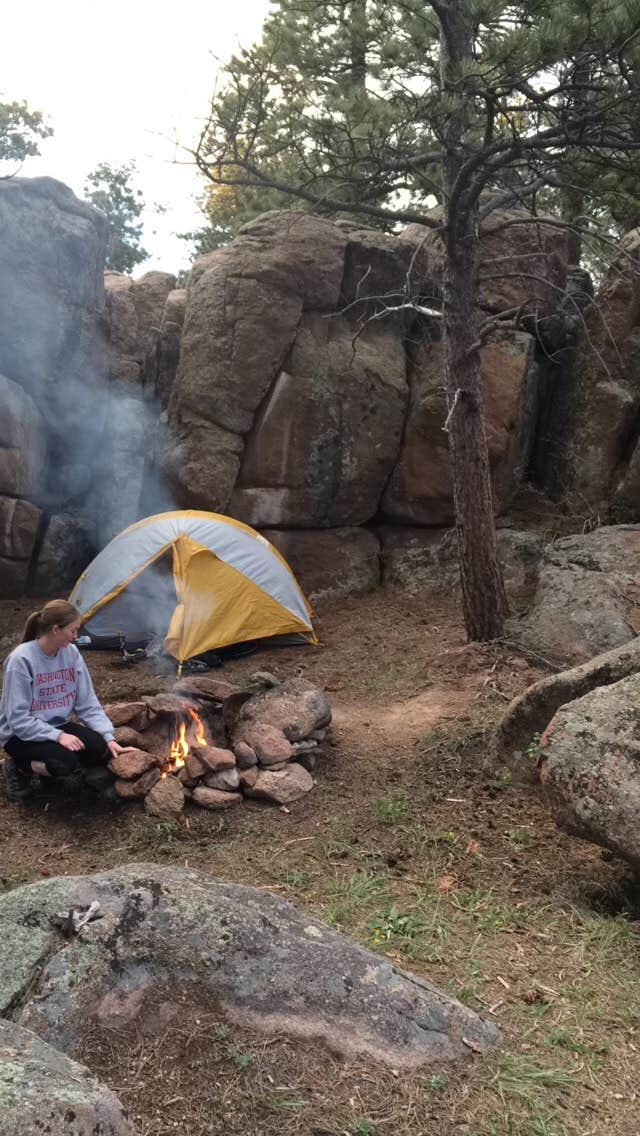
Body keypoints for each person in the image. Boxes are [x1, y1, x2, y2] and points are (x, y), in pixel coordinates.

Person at [0, 599, 128, 803]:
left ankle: (49, 768)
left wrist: (108, 736)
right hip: (20, 735)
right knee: (63, 763)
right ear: (55, 630)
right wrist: (58, 736)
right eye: (73, 631)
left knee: (99, 749)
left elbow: (87, 703)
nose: (77, 637)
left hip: (56, 725)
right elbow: (18, 720)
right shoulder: (21, 660)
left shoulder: (71, 654)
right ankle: (20, 767)